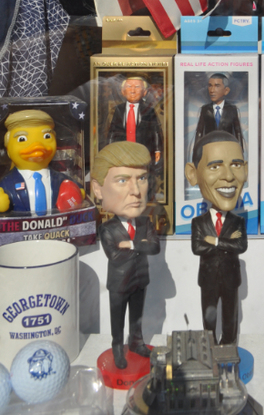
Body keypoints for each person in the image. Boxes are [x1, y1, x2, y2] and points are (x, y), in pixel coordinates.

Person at [91, 141, 160, 370]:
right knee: (117, 319)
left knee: (137, 317)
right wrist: (140, 245)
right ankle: (117, 349)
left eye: (142, 178)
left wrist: (130, 244)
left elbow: (154, 247)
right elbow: (115, 256)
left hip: (140, 280)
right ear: (98, 189)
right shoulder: (107, 229)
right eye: (122, 180)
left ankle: (137, 342)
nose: (136, 191)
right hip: (119, 285)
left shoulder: (145, 223)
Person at [184, 131, 247, 346]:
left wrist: (215, 242)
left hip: (231, 279)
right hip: (208, 280)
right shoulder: (199, 222)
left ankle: (229, 346)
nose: (228, 176)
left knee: (231, 317)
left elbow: (240, 245)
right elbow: (197, 248)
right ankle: (209, 348)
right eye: (215, 166)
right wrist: (226, 244)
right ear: (193, 174)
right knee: (208, 319)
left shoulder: (237, 221)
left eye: (236, 165)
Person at [0, 109, 82, 214]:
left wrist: (77, 193)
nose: (37, 145)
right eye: (22, 139)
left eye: (47, 137)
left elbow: (78, 190)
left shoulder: (60, 180)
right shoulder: (6, 183)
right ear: (8, 149)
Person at [107, 74, 163, 174]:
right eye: (129, 86)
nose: (132, 91)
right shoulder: (118, 110)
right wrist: (109, 148)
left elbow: (156, 131)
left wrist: (157, 150)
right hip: (122, 151)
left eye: (137, 87)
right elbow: (112, 130)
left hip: (143, 150)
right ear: (123, 91)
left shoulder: (149, 110)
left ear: (144, 92)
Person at [194, 73, 243, 147]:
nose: (212, 90)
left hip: (227, 147)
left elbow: (238, 132)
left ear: (226, 90)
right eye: (210, 86)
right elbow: (199, 132)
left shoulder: (232, 109)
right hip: (210, 147)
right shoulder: (205, 109)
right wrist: (196, 149)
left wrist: (240, 150)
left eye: (217, 86)